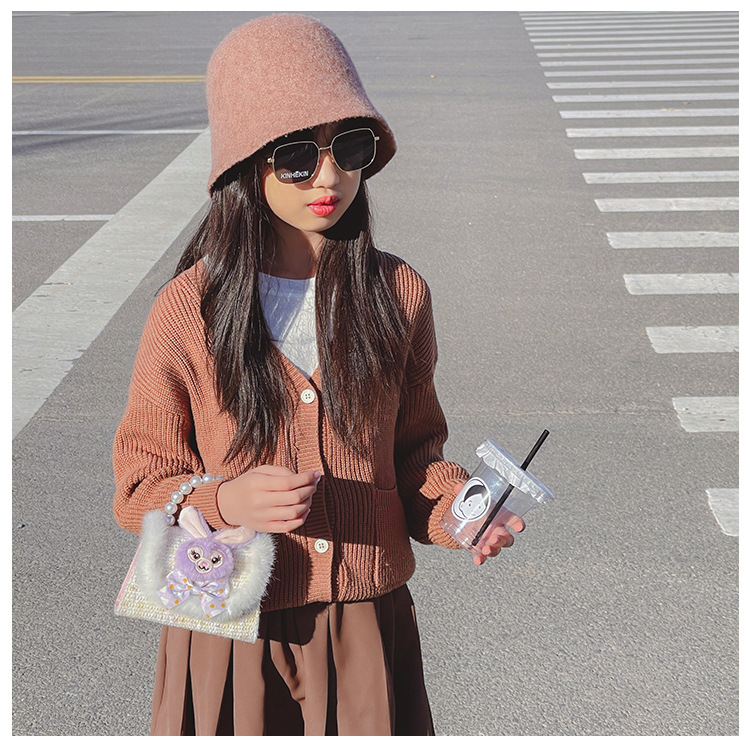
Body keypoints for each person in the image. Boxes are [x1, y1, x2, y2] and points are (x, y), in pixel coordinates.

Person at [113, 13, 524, 737]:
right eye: (298, 156)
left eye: (351, 146)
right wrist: (225, 499)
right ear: (247, 164)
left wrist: (462, 512)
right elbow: (140, 483)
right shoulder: (190, 309)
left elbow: (414, 456)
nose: (329, 177)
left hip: (363, 619)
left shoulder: (397, 294)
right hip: (228, 619)